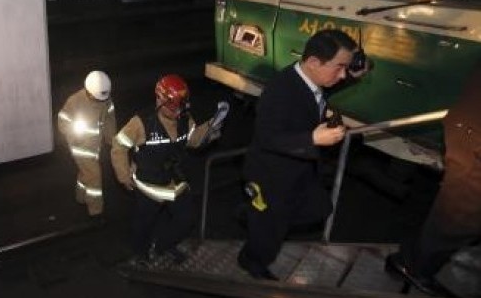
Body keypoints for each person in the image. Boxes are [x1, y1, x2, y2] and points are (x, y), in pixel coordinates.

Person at [238, 29, 367, 280]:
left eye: (346, 68)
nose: (343, 75)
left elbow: (328, 88)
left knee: (319, 208)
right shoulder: (279, 91)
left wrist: (356, 70)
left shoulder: (314, 79)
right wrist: (312, 139)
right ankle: (251, 262)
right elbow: (267, 137)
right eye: (339, 68)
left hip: (298, 170)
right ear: (313, 62)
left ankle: (252, 215)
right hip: (271, 176)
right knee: (270, 231)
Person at [385, 61, 481, 297]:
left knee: (461, 211)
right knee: (460, 214)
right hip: (475, 136)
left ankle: (411, 261)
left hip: (471, 130)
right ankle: (412, 266)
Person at [111, 74, 229, 265]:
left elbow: (193, 140)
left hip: (175, 183)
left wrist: (211, 127)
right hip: (149, 187)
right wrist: (124, 175)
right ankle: (140, 254)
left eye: (180, 107)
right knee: (143, 225)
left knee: (186, 219)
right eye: (173, 107)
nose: (177, 113)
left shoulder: (184, 117)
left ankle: (161, 246)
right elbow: (119, 145)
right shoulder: (141, 123)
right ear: (159, 99)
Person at [57, 70, 116, 217]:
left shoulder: (106, 100)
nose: (100, 101)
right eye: (96, 98)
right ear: (89, 92)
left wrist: (112, 139)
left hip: (95, 146)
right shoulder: (75, 101)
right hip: (80, 146)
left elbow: (109, 120)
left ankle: (80, 197)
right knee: (95, 176)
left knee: (87, 173)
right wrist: (73, 134)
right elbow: (62, 121)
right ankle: (96, 211)